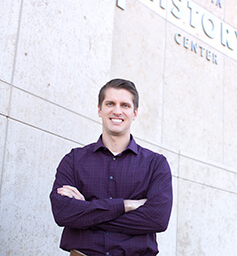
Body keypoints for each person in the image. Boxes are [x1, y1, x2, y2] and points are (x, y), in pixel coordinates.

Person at [50, 78, 173, 255]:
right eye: (110, 103)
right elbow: (62, 213)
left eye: (125, 105)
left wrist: (87, 210)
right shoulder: (74, 160)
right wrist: (126, 205)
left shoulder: (156, 164)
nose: (117, 111)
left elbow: (157, 219)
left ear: (135, 113)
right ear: (99, 110)